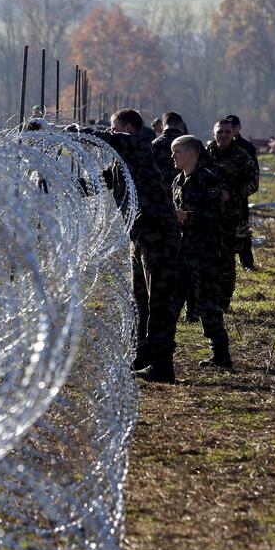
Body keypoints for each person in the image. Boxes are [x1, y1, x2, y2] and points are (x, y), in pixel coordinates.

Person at [78, 110, 179, 381]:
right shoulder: (122, 162)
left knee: (158, 299)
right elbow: (101, 183)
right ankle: (144, 354)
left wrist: (69, 133)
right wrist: (64, 185)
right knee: (142, 300)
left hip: (157, 233)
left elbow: (103, 139)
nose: (111, 131)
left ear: (128, 128)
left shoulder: (137, 144)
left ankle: (162, 364)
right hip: (140, 235)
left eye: (114, 127)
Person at [170, 135, 233, 369]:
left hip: (204, 253)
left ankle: (220, 353)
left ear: (193, 153)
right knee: (171, 302)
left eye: (178, 152)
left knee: (207, 305)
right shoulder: (177, 181)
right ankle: (162, 351)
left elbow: (216, 215)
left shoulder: (207, 180)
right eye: (173, 152)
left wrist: (188, 217)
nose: (173, 156)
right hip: (182, 251)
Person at [206, 119, 259, 310]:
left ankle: (224, 300)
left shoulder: (242, 156)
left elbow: (254, 182)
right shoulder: (205, 154)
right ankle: (206, 298)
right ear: (214, 133)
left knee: (227, 259)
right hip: (206, 215)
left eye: (227, 132)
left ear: (233, 133)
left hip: (231, 215)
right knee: (206, 257)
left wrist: (232, 194)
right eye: (220, 132)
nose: (223, 135)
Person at [227, 115, 259, 270]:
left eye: (233, 127)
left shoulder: (247, 148)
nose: (230, 131)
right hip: (220, 199)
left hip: (239, 198)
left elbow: (254, 177)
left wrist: (238, 194)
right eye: (228, 127)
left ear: (239, 128)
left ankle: (246, 261)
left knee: (242, 230)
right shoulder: (215, 148)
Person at [151, 112, 188, 188]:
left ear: (162, 126)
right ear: (181, 125)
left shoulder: (153, 145)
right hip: (186, 192)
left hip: (160, 193)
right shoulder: (192, 144)